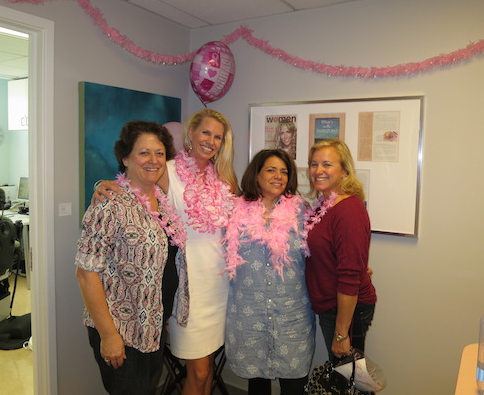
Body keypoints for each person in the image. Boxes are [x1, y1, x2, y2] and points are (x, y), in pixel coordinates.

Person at [94, 109, 238, 395]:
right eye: (206, 132)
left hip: (219, 287)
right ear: (191, 134)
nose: (211, 141)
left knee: (206, 368)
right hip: (188, 289)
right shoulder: (168, 171)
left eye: (218, 137)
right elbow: (132, 185)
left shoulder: (222, 180)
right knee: (197, 371)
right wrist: (101, 185)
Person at [76, 120, 189, 394]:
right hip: (121, 329)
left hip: (152, 324)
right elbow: (86, 273)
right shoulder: (110, 203)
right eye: (144, 152)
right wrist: (108, 335)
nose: (153, 160)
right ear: (125, 158)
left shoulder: (161, 201)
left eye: (159, 153)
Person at [223, 149, 315, 395]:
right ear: (257, 174)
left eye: (284, 171)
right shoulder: (233, 211)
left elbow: (323, 248)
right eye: (271, 170)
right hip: (249, 316)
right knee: (257, 386)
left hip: (292, 316)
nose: (279, 176)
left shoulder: (302, 211)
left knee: (294, 387)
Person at [304, 138, 377, 360]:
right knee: (348, 375)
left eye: (327, 164)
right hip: (331, 304)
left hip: (344, 309)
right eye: (314, 164)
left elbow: (348, 275)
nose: (318, 171)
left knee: (350, 378)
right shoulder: (324, 206)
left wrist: (341, 333)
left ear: (344, 170)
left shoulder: (348, 210)